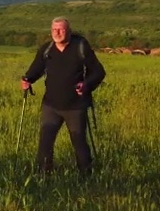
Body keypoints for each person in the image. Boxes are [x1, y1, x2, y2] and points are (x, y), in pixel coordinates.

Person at [21, 16, 107, 175]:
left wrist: (86, 85)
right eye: (54, 29)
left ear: (69, 31)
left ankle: (87, 178)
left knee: (79, 143)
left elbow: (99, 72)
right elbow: (36, 69)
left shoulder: (80, 47)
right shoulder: (47, 49)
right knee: (45, 143)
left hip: (75, 106)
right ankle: (43, 177)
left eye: (61, 29)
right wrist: (27, 80)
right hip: (51, 105)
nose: (57, 32)